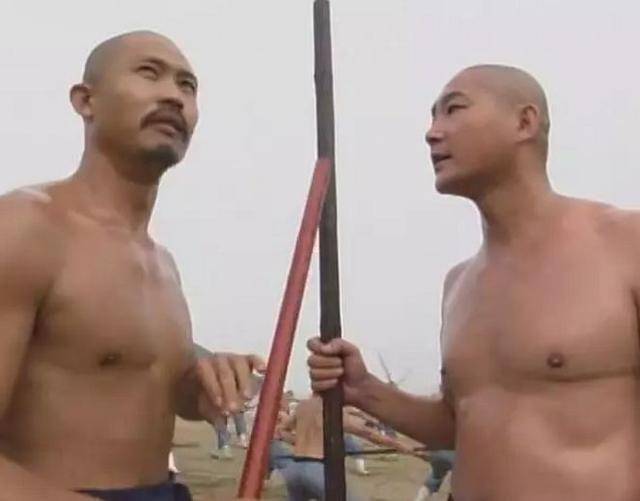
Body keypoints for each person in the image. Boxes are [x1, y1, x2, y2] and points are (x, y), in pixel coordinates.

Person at [308, 64, 640, 501]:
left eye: (453, 110)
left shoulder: (625, 243)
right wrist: (366, 391)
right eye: (432, 116)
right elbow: (462, 423)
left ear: (524, 122)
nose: (432, 133)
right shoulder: (459, 284)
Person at [0, 31, 265, 500]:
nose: (174, 95)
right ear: (86, 101)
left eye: (187, 86)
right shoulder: (25, 227)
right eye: (149, 73)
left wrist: (205, 385)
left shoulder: (163, 264)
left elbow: (139, 385)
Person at [277, 395, 417, 501]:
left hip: (294, 470)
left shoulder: (302, 406)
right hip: (317, 468)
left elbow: (281, 430)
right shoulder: (331, 408)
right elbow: (368, 433)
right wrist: (399, 445)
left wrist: (298, 442)